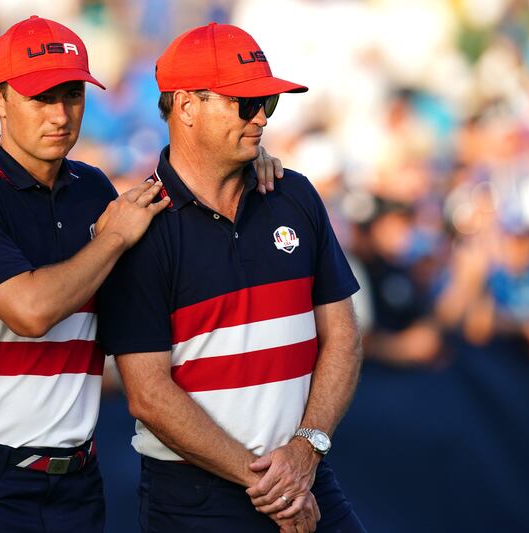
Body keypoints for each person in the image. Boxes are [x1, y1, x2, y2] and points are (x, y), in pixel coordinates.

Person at [0, 15, 284, 532]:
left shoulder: (92, 187)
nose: (60, 114)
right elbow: (29, 312)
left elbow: (178, 220)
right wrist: (112, 238)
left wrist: (244, 159)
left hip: (73, 481)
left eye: (72, 95)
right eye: (42, 97)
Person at [98, 23, 367, 533]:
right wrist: (276, 485)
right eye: (245, 103)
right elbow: (149, 395)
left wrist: (306, 451)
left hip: (305, 475)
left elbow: (343, 335)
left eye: (267, 101)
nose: (262, 117)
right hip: (198, 497)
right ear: (187, 106)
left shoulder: (295, 195)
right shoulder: (139, 225)